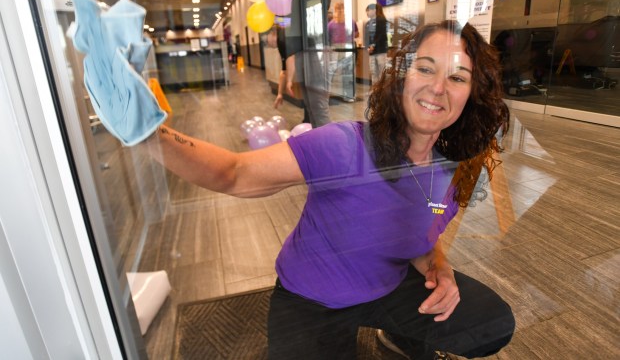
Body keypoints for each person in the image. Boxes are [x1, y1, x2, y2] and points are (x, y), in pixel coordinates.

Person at [144, 20, 515, 359]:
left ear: (472, 94)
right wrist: (148, 131)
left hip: (389, 287)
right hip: (312, 299)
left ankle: (399, 335)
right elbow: (233, 173)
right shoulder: (344, 144)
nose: (437, 87)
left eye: (458, 77)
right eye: (425, 68)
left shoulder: (451, 169)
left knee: (491, 325)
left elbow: (424, 235)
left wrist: (440, 267)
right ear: (402, 76)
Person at [275, 0, 335, 127]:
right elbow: (295, 21)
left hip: (316, 51)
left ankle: (329, 152)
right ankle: (319, 148)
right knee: (310, 107)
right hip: (306, 50)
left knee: (318, 108)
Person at [327, 1, 359, 101]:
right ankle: (327, 94)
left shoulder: (351, 21)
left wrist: (350, 37)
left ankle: (348, 95)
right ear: (335, 11)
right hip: (336, 49)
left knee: (348, 72)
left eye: (342, 9)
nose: (340, 11)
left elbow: (357, 33)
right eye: (338, 9)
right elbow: (328, 39)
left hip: (348, 48)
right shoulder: (331, 24)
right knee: (331, 72)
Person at [365, 2, 388, 84]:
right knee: (374, 72)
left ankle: (381, 92)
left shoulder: (381, 20)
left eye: (368, 10)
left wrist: (372, 46)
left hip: (380, 50)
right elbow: (366, 37)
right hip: (373, 52)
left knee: (380, 72)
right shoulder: (368, 23)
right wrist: (368, 47)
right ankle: (376, 91)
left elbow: (380, 35)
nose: (367, 13)